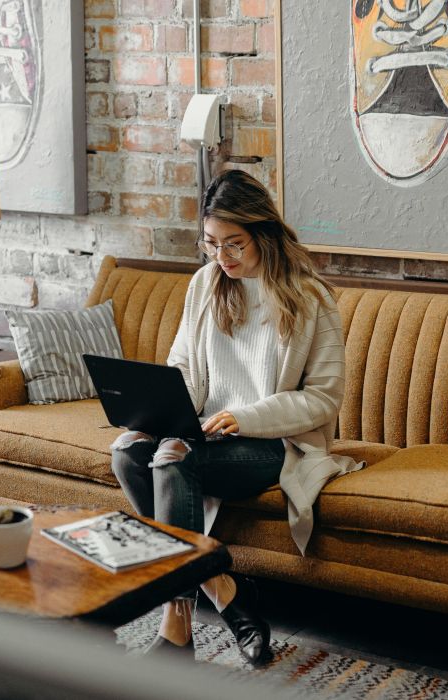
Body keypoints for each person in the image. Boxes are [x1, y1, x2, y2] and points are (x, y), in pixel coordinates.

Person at [111, 169, 362, 664]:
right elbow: (182, 364)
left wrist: (244, 417)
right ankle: (224, 586)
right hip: (204, 429)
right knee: (128, 451)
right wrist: (159, 409)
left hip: (271, 442)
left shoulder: (310, 298)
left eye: (234, 245)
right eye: (211, 244)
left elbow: (323, 398)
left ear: (263, 234)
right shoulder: (206, 284)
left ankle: (176, 627)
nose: (221, 258)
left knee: (172, 460)